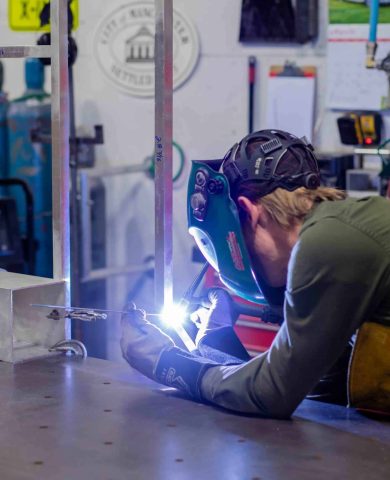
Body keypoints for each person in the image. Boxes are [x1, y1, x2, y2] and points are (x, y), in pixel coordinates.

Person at [120, 129, 390, 418]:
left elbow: (271, 395)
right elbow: (313, 396)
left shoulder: (325, 245)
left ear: (249, 213)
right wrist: (218, 342)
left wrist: (168, 363)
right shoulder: (337, 232)